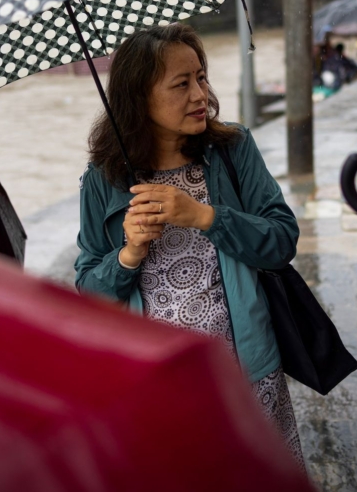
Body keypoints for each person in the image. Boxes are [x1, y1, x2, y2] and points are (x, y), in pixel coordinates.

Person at [74, 23, 305, 469]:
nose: (200, 94)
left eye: (201, 77)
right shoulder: (102, 179)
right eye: (181, 84)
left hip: (247, 374)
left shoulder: (232, 150)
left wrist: (205, 216)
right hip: (157, 386)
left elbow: (281, 240)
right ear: (138, 97)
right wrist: (128, 254)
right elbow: (90, 291)